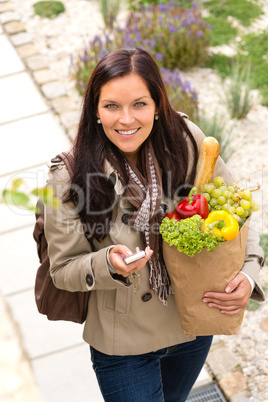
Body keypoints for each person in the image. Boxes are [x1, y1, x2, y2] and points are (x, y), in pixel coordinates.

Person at [44, 48, 265, 401]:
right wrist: (107, 264)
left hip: (190, 324)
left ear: (158, 105)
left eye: (139, 104)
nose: (126, 119)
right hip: (123, 346)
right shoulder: (68, 177)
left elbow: (237, 214)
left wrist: (248, 274)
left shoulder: (188, 142)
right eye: (112, 105)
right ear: (95, 111)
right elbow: (63, 269)